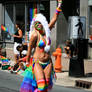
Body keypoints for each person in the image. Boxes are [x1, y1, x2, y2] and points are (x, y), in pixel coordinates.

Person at [20, 0, 62, 92]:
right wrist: (27, 62)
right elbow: (30, 49)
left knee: (45, 87)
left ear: (42, 23)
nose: (38, 25)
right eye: (36, 24)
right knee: (41, 86)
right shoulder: (35, 35)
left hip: (48, 63)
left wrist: (59, 4)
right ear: (33, 25)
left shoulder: (47, 32)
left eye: (39, 23)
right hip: (37, 62)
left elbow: (54, 19)